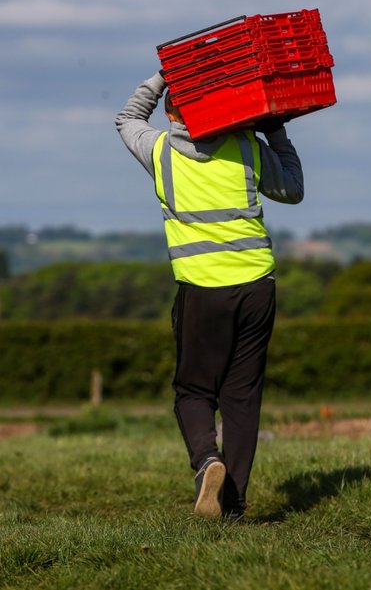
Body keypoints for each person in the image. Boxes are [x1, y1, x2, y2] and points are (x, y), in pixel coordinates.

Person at [115, 71, 304, 520]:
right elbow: (293, 190)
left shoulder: (160, 151)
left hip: (201, 289)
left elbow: (126, 118)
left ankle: (207, 462)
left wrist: (164, 75)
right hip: (257, 284)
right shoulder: (247, 148)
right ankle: (234, 507)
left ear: (171, 112)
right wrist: (274, 127)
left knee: (194, 391)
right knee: (242, 396)